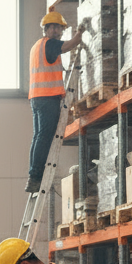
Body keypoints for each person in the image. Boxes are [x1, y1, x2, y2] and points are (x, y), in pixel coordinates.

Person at [27, 11, 86, 194]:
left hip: (37, 98)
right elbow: (70, 45)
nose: (58, 32)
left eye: (59, 28)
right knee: (44, 137)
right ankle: (36, 176)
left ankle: (34, 175)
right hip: (47, 97)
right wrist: (81, 31)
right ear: (49, 28)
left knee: (39, 137)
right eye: (57, 28)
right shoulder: (50, 44)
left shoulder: (37, 46)